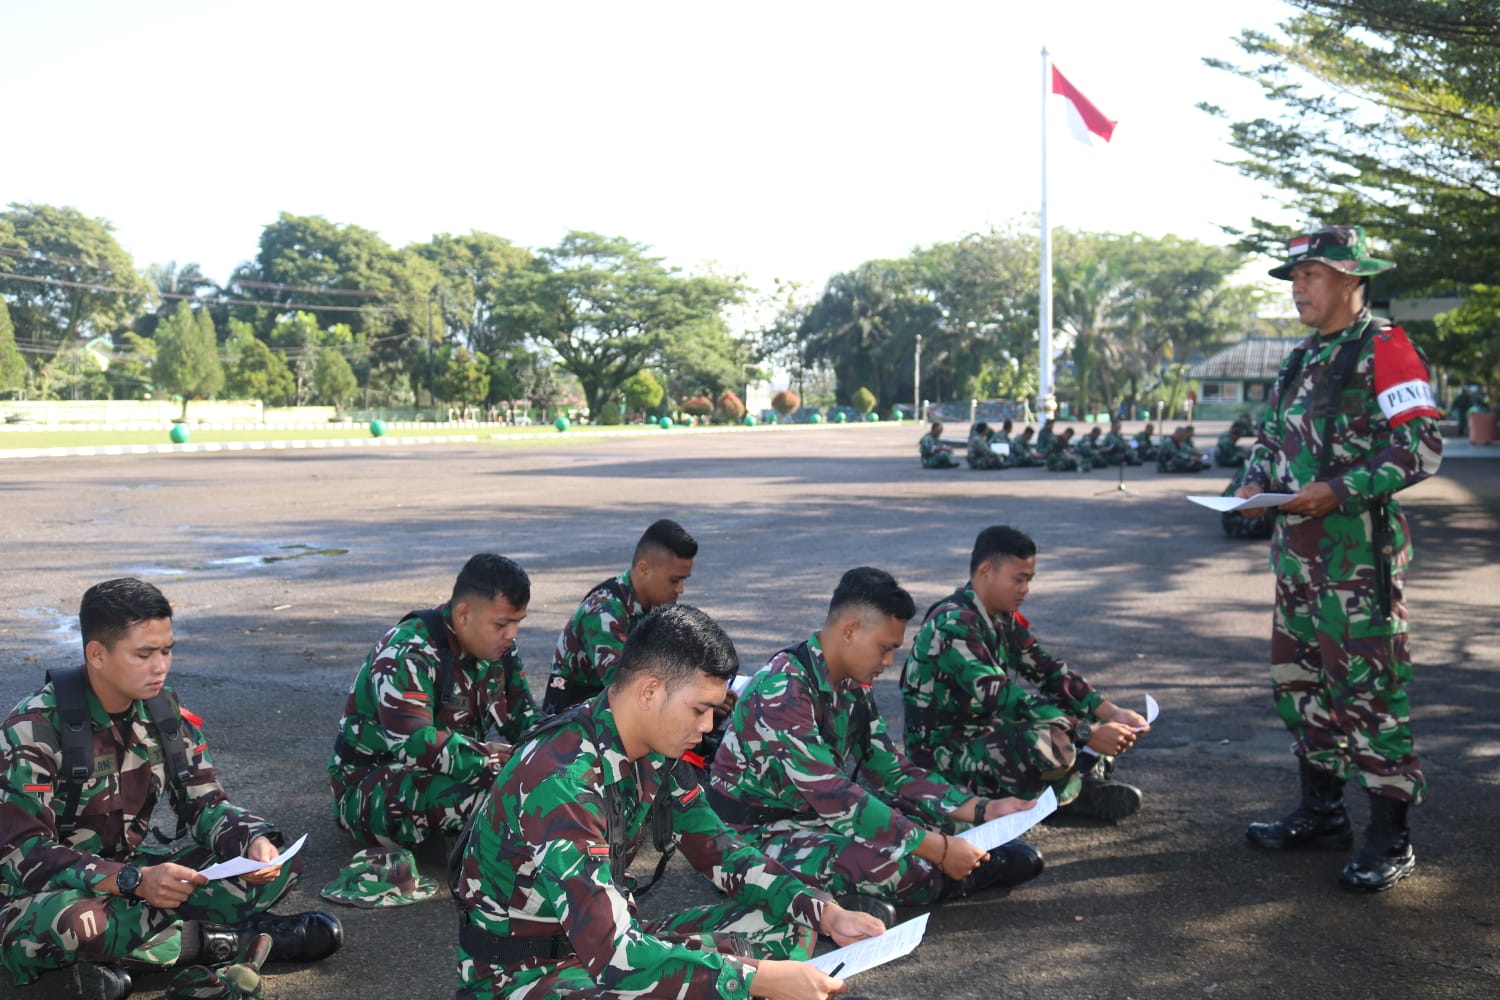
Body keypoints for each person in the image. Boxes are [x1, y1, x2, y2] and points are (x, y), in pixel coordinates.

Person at [452, 604, 887, 1000]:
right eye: (700, 709)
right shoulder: (561, 778)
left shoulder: (657, 747)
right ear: (649, 692)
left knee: (789, 925)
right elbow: (618, 957)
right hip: (523, 977)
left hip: (603, 946)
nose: (707, 727)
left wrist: (825, 913)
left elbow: (717, 848)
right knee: (744, 979)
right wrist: (756, 978)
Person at [0, 579, 342, 1000]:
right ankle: (230, 942)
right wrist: (131, 880)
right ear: (97, 655)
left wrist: (254, 843)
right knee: (77, 922)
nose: (160, 666)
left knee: (278, 869)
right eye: (144, 654)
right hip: (45, 893)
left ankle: (123, 963)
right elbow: (24, 855)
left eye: (166, 650)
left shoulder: (163, 715)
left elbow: (206, 802)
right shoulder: (33, 729)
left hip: (138, 877)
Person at [1237, 226, 1443, 892]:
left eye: (1310, 276)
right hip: (1296, 561)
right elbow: (1271, 440)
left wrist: (1338, 490)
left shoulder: (1384, 347)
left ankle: (1391, 837)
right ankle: (1322, 814)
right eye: (1293, 278)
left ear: (1352, 281)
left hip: (1357, 565)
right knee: (1299, 689)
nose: (1297, 288)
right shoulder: (1299, 357)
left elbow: (1421, 447)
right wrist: (1251, 484)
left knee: (1370, 696)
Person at [708, 567, 1043, 912]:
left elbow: (893, 771)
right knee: (897, 866)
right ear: (851, 630)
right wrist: (939, 849)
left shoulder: (851, 684)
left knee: (939, 820)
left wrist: (984, 809)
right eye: (885, 648)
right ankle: (953, 876)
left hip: (806, 819)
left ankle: (917, 876)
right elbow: (834, 794)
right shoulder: (783, 691)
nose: (888, 661)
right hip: (747, 841)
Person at [899, 526, 1149, 822]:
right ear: (986, 570)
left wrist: (1110, 713)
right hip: (942, 755)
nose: (1025, 589)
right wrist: (1087, 733)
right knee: (1042, 738)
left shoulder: (996, 615)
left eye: (1029, 580)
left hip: (981, 735)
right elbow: (1005, 697)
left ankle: (1063, 783)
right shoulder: (953, 625)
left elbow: (1047, 670)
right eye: (1019, 579)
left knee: (1076, 714)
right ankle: (1067, 795)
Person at [329, 553, 538, 850]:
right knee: (503, 802)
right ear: (464, 613)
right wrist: (496, 760)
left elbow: (525, 718)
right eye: (502, 624)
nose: (512, 634)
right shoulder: (408, 651)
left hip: (443, 773)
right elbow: (415, 743)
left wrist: (556, 752)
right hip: (372, 788)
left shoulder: (499, 650)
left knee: (543, 791)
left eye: (518, 623)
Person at [544, 519, 698, 714]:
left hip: (609, 711)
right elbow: (624, 687)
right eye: (674, 580)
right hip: (574, 723)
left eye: (683, 580)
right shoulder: (603, 612)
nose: (680, 589)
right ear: (644, 569)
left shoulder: (655, 605)